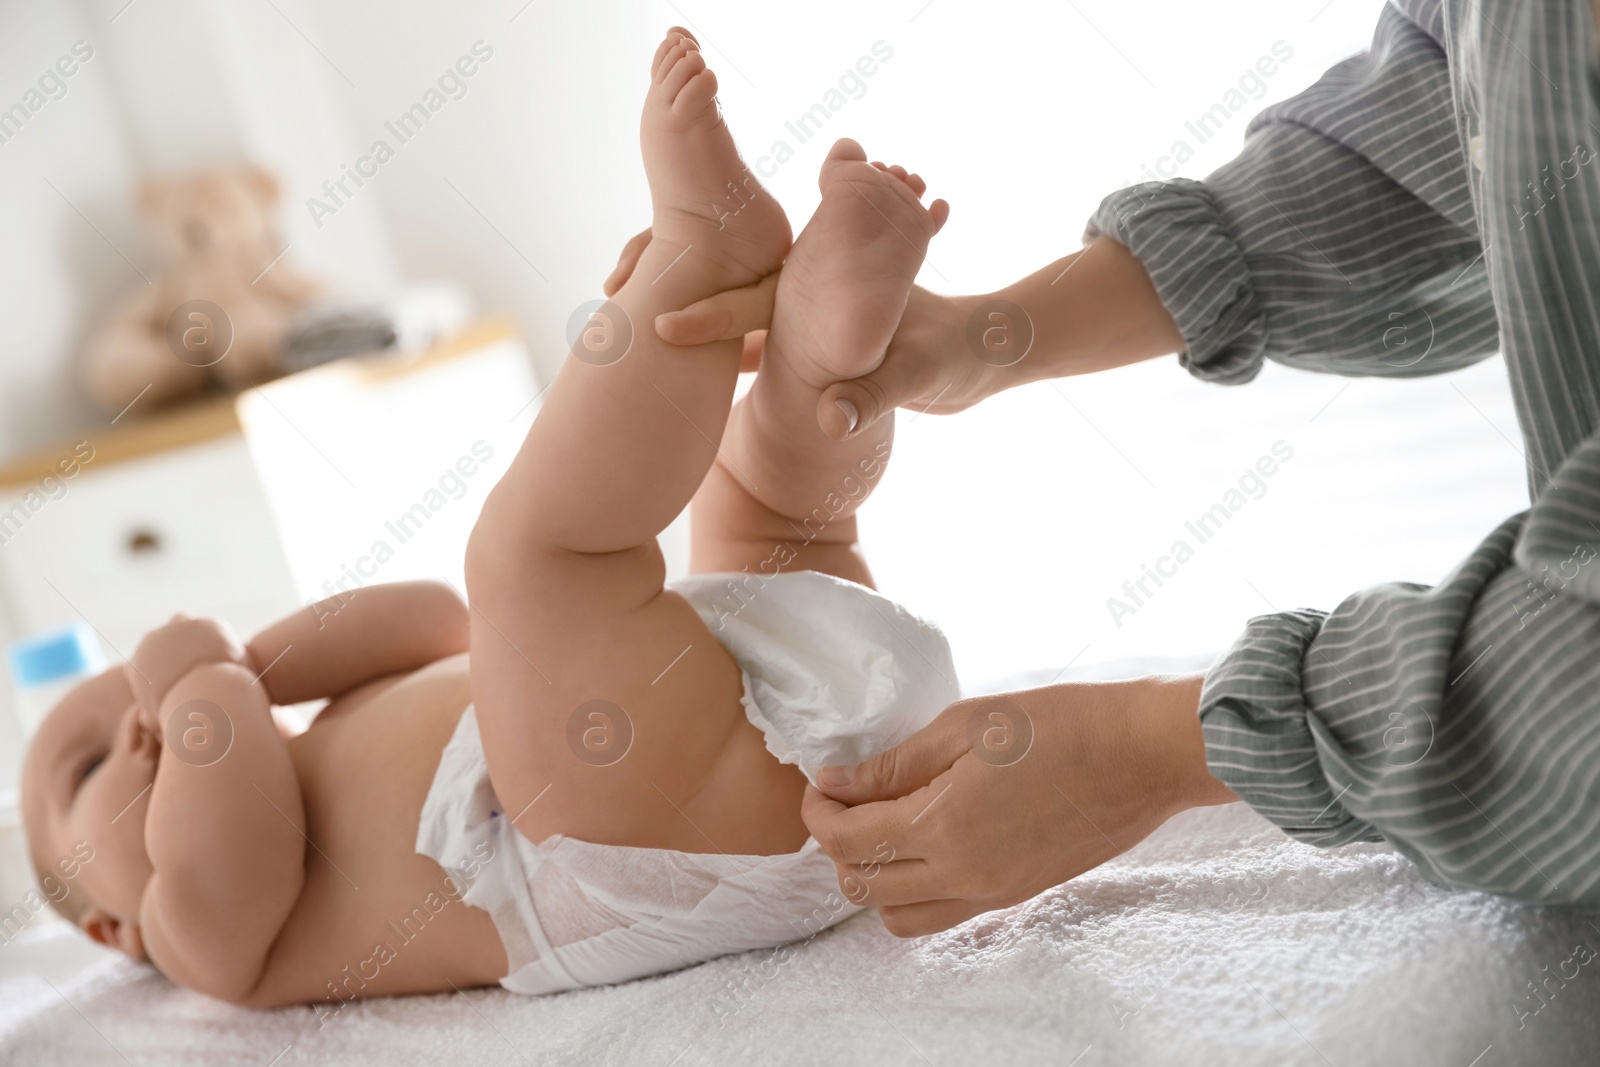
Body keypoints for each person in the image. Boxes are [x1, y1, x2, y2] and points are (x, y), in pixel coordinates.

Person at [19, 28, 973, 1004]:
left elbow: (437, 623)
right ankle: (697, 256)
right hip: (600, 852)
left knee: (768, 516)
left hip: (765, 758)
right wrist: (202, 689)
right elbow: (233, 852)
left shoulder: (296, 733)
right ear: (107, 923)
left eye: (128, 694)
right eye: (89, 761)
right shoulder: (200, 940)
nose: (143, 719)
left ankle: (824, 352)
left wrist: (252, 667)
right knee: (530, 556)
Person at [629, 0, 1600, 935]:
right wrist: (987, 333)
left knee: (594, 552)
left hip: (552, 821)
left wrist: (1141, 749)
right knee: (758, 525)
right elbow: (1456, 113)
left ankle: (724, 295)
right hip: (720, 769)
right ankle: (786, 343)